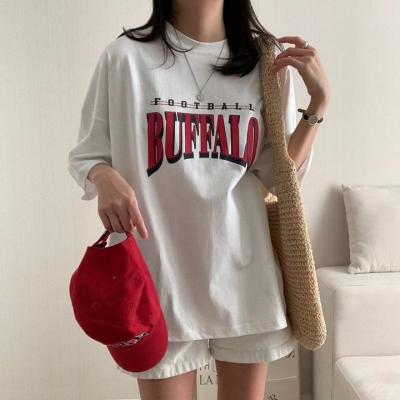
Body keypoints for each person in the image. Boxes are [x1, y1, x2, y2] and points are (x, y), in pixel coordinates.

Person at [68, 0, 330, 398]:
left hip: (244, 278)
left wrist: (318, 105)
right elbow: (87, 154)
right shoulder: (125, 58)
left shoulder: (264, 61)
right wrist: (105, 178)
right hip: (158, 281)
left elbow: (281, 179)